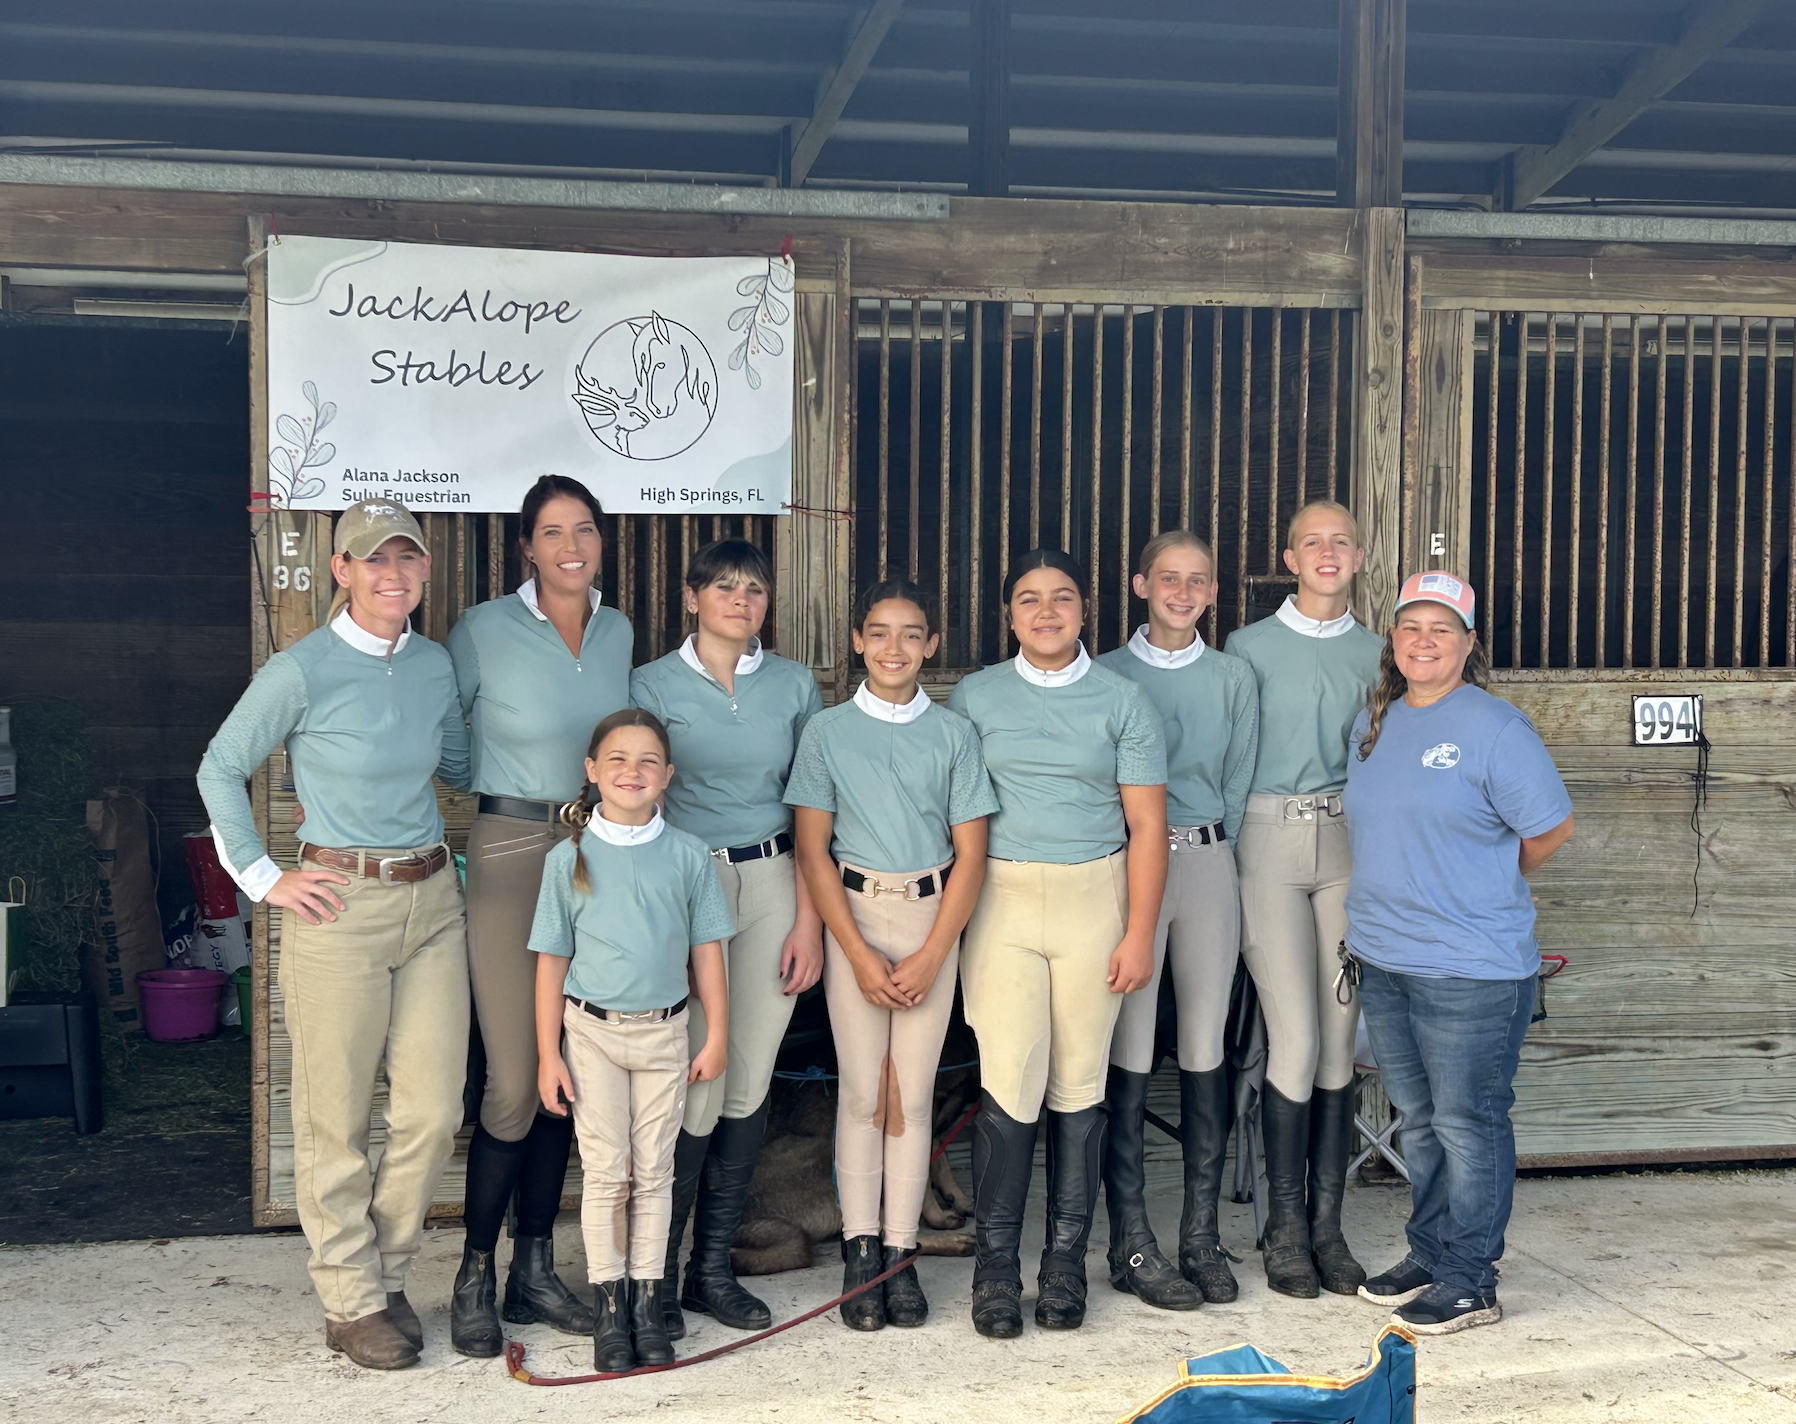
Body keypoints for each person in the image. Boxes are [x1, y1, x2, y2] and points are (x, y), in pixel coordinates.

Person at [196, 499, 470, 1370]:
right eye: (372, 559)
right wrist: (264, 876)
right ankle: (351, 1300)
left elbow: (461, 764)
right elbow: (220, 766)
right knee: (336, 1115)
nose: (393, 574)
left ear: (425, 570)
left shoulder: (433, 664)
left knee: (433, 1111)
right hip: (338, 905)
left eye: (407, 558)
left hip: (434, 899)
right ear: (341, 571)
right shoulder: (301, 669)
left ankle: (384, 1274)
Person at [1343, 571, 1573, 1335]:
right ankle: (1433, 1253)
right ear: (1393, 639)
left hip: (1470, 967)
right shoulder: (1373, 721)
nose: (1424, 641)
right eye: (1411, 626)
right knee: (1419, 1117)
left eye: (1442, 628)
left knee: (1468, 1122)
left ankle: (1472, 1279)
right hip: (1385, 959)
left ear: (1469, 643)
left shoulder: (1495, 728)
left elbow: (1551, 828)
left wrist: (1485, 880)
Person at [948, 549, 1168, 1339]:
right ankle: (995, 1272)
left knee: (1079, 1084)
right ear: (1008, 614)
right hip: (1002, 898)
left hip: (1093, 898)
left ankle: (1065, 1266)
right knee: (1009, 1082)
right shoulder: (975, 696)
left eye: (1063, 597)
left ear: (1085, 610)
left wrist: (1139, 932)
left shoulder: (1123, 700)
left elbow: (1148, 827)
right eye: (1030, 599)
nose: (1047, 612)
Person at [442, 474, 633, 1356]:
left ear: (601, 541)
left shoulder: (618, 630)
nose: (571, 545)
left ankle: (535, 1270)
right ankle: (473, 1274)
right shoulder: (482, 629)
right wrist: (498, 782)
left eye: (584, 529)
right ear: (526, 547)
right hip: (514, 849)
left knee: (573, 1070)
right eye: (552, 531)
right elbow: (446, 741)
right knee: (517, 1080)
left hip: (597, 853)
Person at [785, 579, 998, 1331]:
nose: (894, 647)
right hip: (856, 917)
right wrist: (855, 951)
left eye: (912, 634)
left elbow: (972, 854)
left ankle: (901, 1252)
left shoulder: (954, 736)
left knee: (909, 1097)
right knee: (862, 1095)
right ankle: (860, 1252)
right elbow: (812, 850)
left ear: (931, 645)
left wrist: (936, 952)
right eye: (879, 632)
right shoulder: (827, 732)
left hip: (930, 918)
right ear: (857, 641)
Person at [629, 539, 825, 1336]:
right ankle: (652, 1275)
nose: (741, 602)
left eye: (754, 589)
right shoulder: (651, 684)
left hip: (774, 879)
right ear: (692, 597)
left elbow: (814, 804)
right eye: (724, 588)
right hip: (689, 884)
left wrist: (810, 917)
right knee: (693, 1079)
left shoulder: (793, 684)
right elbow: (636, 797)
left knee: (747, 1079)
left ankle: (710, 1270)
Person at [530, 708, 732, 1370]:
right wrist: (548, 1055)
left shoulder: (688, 855)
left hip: (665, 1033)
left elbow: (707, 951)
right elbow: (551, 962)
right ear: (592, 771)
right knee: (607, 1173)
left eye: (648, 761)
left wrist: (717, 1035)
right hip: (591, 1034)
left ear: (667, 775)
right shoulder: (568, 859)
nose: (632, 772)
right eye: (617, 759)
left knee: (654, 1173)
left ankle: (649, 1304)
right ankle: (610, 1311)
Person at [1224, 499, 1382, 1298]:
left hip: (1346, 843)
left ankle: (1328, 1228)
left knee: (1338, 1038)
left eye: (1340, 542)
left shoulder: (1379, 653)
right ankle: (1284, 1229)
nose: (1326, 553)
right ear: (1289, 559)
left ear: (1359, 556)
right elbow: (1229, 755)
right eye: (1311, 542)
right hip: (1268, 839)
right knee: (1293, 1035)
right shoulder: (1246, 648)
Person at [1096, 531, 1258, 1309]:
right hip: (1129, 866)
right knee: (1128, 1046)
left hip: (1205, 860)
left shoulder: (1232, 677)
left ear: (1213, 592)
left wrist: (1213, 855)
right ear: (1140, 585)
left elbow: (1238, 782)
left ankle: (1200, 1235)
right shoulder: (1104, 674)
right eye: (1168, 578)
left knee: (1204, 1046)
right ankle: (1129, 1237)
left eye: (1198, 580)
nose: (1182, 592)